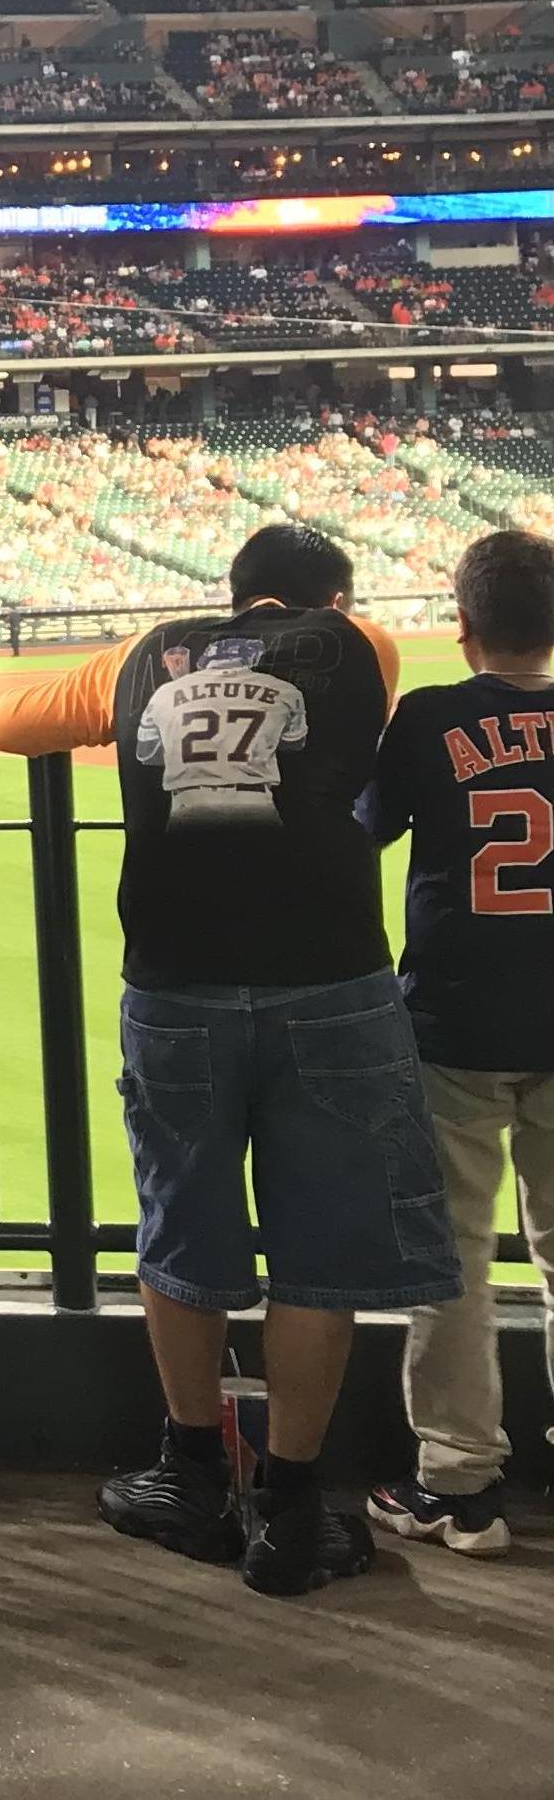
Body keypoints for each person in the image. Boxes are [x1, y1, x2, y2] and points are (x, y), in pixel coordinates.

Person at [0, 522, 458, 1596]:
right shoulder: (360, 646)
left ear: (230, 590)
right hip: (331, 981)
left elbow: (5, 723)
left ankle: (189, 1470)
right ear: (327, 599)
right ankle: (290, 1506)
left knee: (180, 1230)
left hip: (174, 984)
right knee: (318, 1255)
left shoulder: (143, 651)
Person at [359, 527, 554, 1557]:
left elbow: (356, 827)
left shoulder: (430, 717)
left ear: (462, 624)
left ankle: (457, 1485)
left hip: (452, 1024)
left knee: (453, 1261)